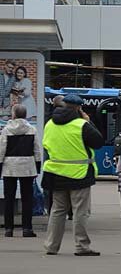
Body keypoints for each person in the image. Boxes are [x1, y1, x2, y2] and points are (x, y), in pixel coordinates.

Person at [41, 94, 104, 256]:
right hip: (79, 174)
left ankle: (51, 246)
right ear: (78, 108)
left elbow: (46, 145)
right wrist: (88, 121)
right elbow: (98, 142)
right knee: (80, 212)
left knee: (57, 211)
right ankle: (81, 246)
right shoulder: (81, 124)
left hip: (55, 173)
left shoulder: (49, 124)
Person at [1, 104, 42, 237]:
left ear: (13, 115)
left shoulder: (6, 130)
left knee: (9, 199)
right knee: (27, 198)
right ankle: (27, 229)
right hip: (27, 166)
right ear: (25, 115)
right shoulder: (32, 129)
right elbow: (36, 149)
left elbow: (2, 149)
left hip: (10, 166)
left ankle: (8, 229)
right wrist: (37, 165)